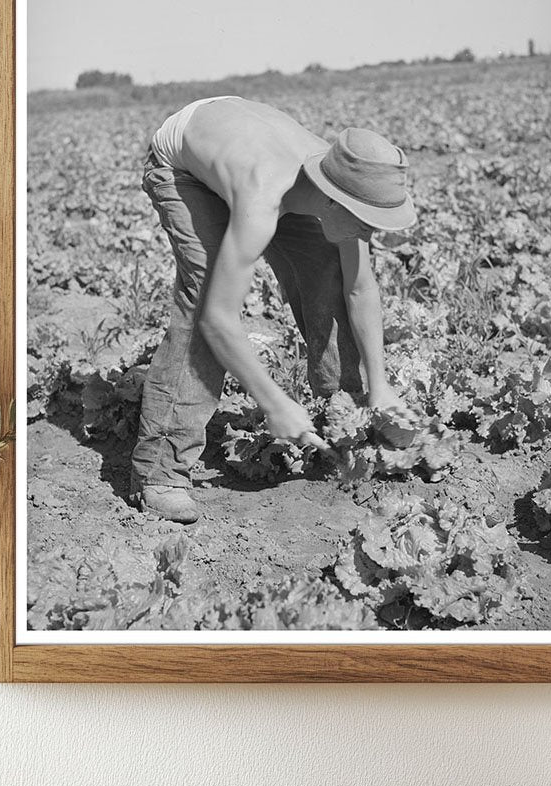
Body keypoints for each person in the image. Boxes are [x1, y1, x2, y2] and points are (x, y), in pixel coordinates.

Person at [130, 96, 417, 523]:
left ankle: (347, 426)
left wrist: (381, 385)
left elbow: (360, 289)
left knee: (330, 269)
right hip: (185, 167)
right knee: (206, 291)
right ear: (333, 201)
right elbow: (218, 318)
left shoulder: (349, 182)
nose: (370, 232)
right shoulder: (264, 191)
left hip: (257, 154)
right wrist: (273, 403)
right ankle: (160, 470)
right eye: (366, 222)